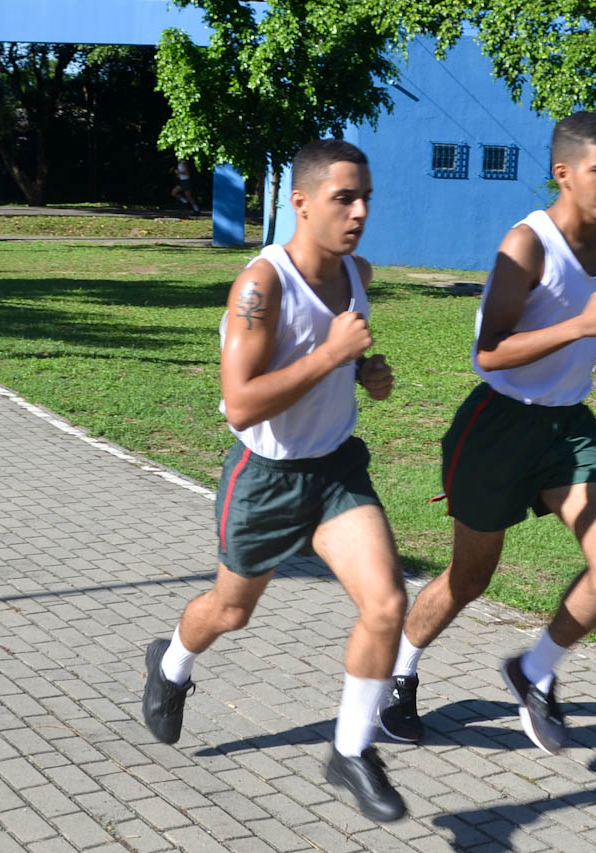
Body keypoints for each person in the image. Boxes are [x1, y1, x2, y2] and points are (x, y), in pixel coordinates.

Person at [141, 140, 407, 822]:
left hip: (336, 469)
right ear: (301, 202)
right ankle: (170, 664)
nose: (359, 211)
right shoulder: (262, 285)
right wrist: (332, 356)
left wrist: (365, 374)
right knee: (231, 612)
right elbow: (240, 403)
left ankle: (350, 749)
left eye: (366, 197)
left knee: (385, 602)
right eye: (344, 198)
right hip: (265, 477)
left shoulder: (358, 272)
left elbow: (343, 360)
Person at [378, 112, 596, 755]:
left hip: (565, 429)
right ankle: (397, 674)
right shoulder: (527, 244)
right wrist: (583, 326)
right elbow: (488, 352)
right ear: (564, 173)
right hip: (497, 425)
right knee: (470, 579)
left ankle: (535, 671)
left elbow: (595, 339)